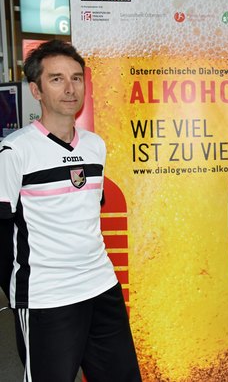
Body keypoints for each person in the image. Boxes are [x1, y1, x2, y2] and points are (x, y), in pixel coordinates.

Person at [0, 40, 141, 381]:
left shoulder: (95, 146)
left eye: (77, 78)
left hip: (101, 286)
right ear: (36, 89)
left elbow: (87, 216)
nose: (70, 88)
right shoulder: (14, 151)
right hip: (48, 296)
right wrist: (20, 291)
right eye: (56, 79)